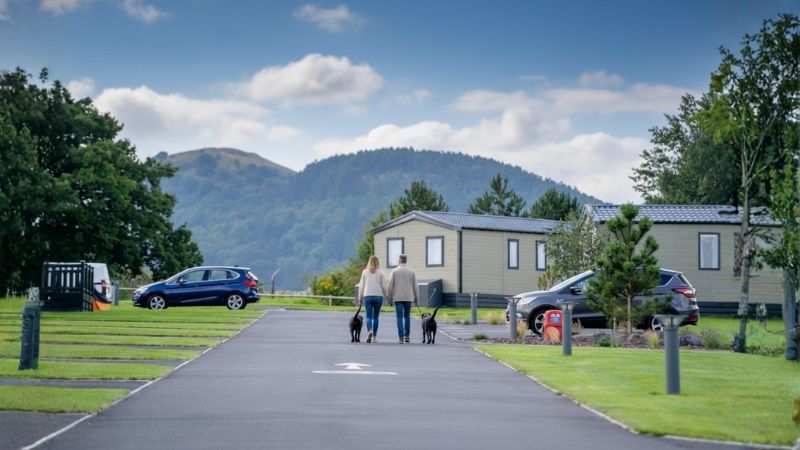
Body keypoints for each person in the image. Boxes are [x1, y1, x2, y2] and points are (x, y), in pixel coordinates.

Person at [387, 254, 417, 344]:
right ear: (406, 261)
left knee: (399, 317)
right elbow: (415, 286)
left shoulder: (394, 271)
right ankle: (407, 336)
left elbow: (390, 285)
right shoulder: (412, 272)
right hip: (408, 297)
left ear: (399, 260)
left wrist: (389, 297)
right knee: (407, 316)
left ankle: (401, 337)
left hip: (398, 297)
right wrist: (417, 298)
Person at [357, 256, 388, 343]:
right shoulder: (381, 272)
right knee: (376, 317)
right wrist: (388, 296)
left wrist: (360, 297)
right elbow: (385, 286)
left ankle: (370, 330)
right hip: (378, 296)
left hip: (368, 296)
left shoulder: (365, 272)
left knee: (368, 316)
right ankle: (374, 337)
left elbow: (361, 285)